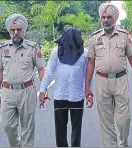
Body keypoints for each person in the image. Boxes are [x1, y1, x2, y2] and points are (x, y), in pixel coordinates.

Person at [85, 3, 132, 147]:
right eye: (103, 17)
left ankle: (123, 143)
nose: (105, 20)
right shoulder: (94, 38)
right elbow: (91, 63)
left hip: (120, 80)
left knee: (124, 119)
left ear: (115, 19)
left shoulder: (124, 36)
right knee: (105, 120)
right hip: (101, 81)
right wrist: (87, 87)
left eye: (108, 17)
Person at [0, 14, 46, 147]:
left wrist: (43, 90)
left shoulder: (33, 48)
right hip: (7, 92)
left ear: (24, 30)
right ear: (9, 31)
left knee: (27, 127)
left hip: (27, 91)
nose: (16, 33)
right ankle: (16, 144)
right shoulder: (3, 49)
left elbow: (41, 69)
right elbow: (0, 71)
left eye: (19, 29)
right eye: (13, 30)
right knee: (7, 124)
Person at [39, 28, 90, 147]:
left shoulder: (85, 53)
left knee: (76, 129)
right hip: (60, 95)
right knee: (60, 129)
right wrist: (43, 89)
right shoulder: (56, 51)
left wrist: (89, 93)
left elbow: (88, 75)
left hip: (77, 95)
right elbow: (49, 71)